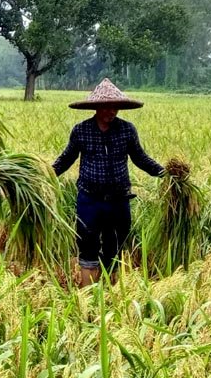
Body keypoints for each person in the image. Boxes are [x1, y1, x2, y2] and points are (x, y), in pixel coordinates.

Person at [53, 79, 164, 286]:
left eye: (115, 107)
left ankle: (111, 291)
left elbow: (140, 158)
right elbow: (66, 159)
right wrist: (45, 175)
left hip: (119, 199)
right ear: (96, 107)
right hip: (89, 199)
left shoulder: (127, 130)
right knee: (87, 242)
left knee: (116, 243)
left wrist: (165, 173)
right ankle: (88, 294)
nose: (111, 111)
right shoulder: (81, 130)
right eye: (106, 106)